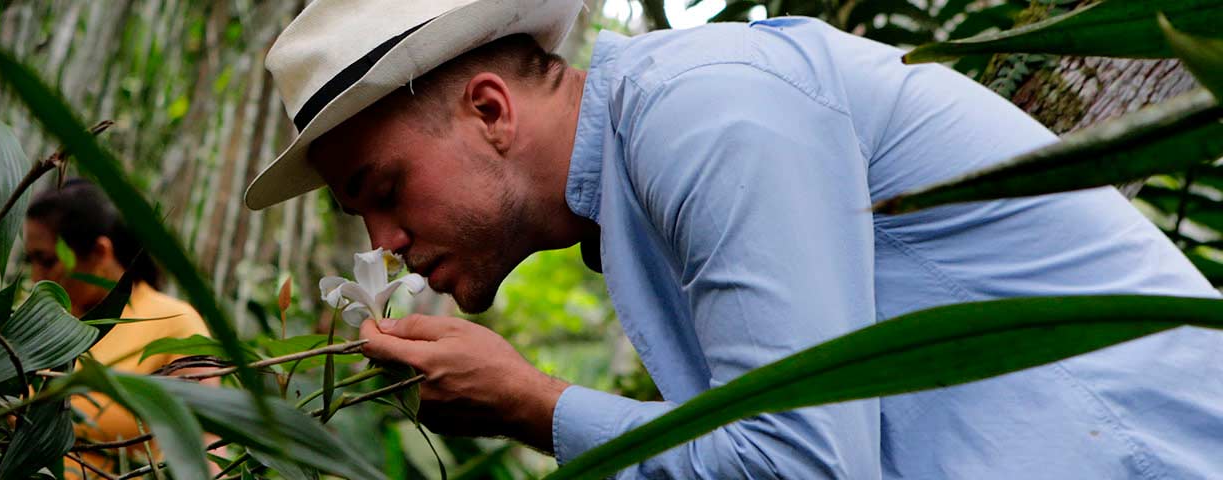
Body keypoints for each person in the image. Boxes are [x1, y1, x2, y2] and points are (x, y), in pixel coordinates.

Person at [242, 0, 1223, 478]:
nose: (381, 238)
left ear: (489, 110)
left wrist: (535, 406)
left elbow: (797, 466)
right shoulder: (646, 186)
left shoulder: (703, 109)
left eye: (382, 188)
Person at [22, 179, 211, 478]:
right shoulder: (37, 324)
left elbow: (207, 449)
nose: (35, 278)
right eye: (29, 260)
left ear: (100, 253)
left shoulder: (174, 323)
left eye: (46, 261)